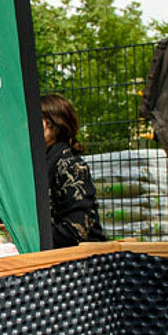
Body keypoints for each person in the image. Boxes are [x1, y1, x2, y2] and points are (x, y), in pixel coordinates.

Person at [40, 93, 106, 246]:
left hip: (81, 260)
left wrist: (30, 237)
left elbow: (77, 229)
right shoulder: (44, 163)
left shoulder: (69, 165)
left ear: (52, 125)